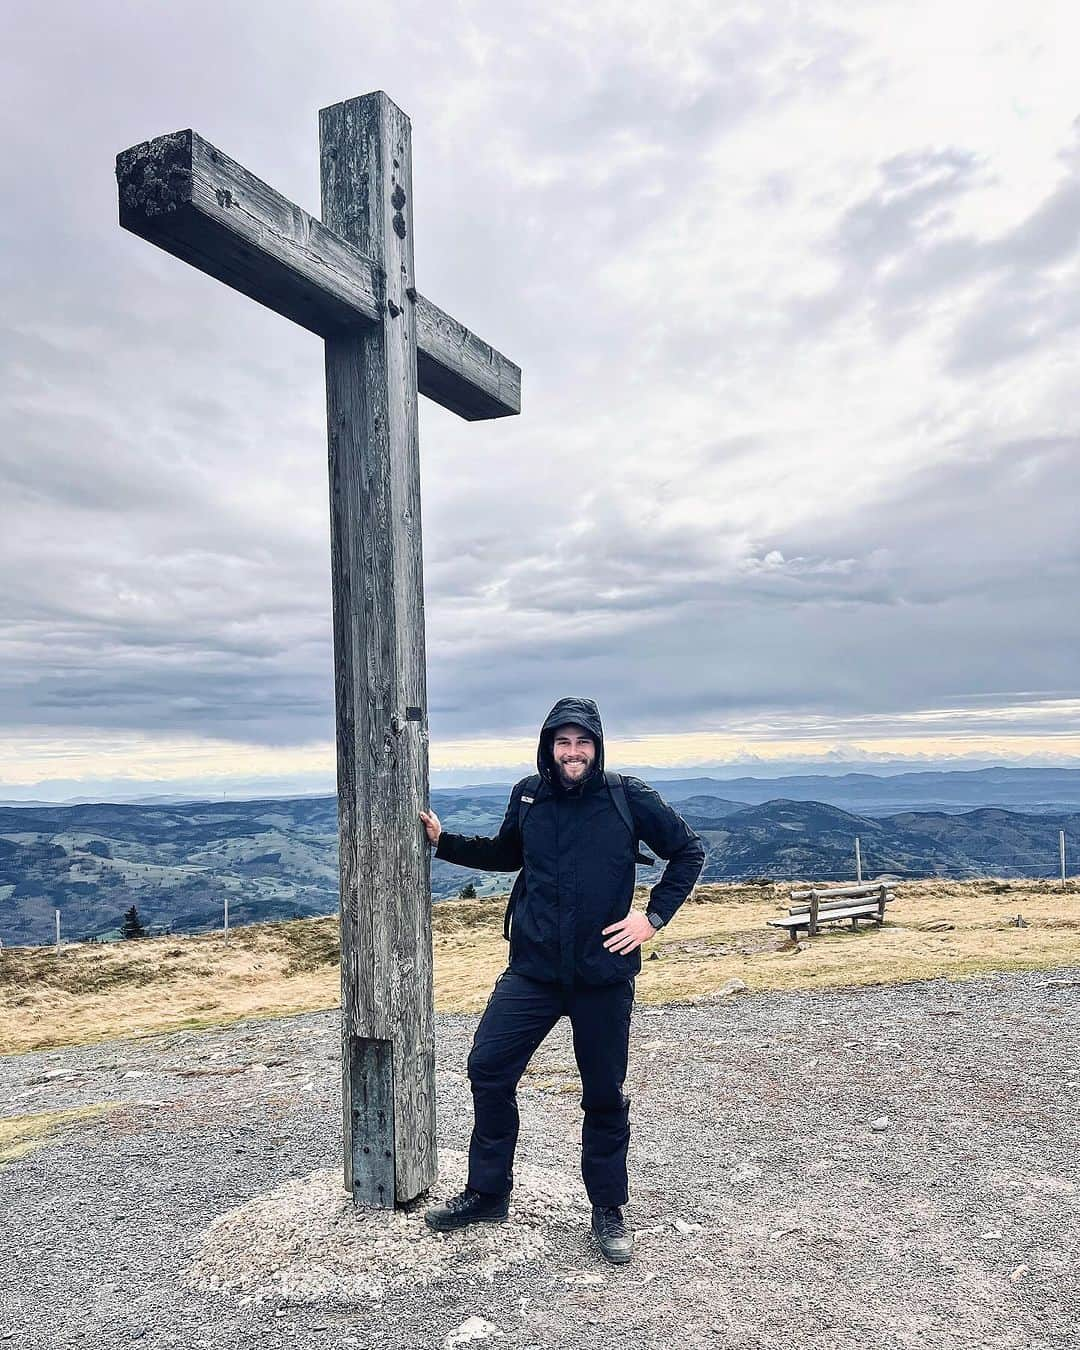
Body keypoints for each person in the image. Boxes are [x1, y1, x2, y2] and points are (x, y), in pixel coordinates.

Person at [418, 696, 706, 1263]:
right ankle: (487, 1193)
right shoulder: (530, 795)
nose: (572, 753)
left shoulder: (629, 797)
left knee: (602, 1093)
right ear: (549, 746)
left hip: (603, 974)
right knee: (488, 1068)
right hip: (535, 970)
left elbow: (688, 852)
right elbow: (507, 854)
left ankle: (607, 1210)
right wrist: (443, 841)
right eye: (562, 742)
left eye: (582, 743)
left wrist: (650, 919)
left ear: (597, 747)